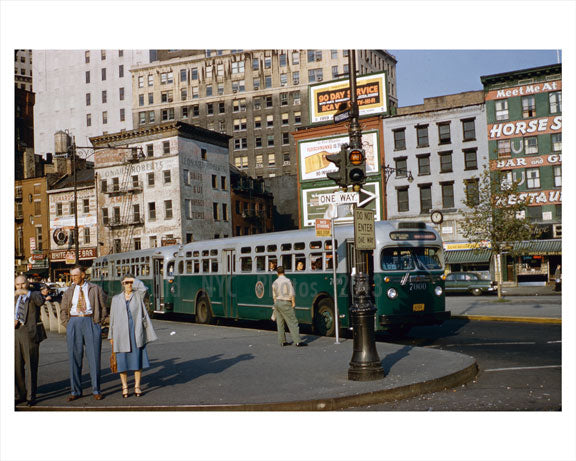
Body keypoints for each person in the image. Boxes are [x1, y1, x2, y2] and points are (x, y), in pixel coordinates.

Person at [60, 265, 107, 401]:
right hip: (74, 323)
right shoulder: (69, 291)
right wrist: (67, 324)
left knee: (94, 358)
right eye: (71, 275)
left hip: (90, 322)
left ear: (82, 275)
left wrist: (98, 323)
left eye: (75, 275)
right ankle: (75, 391)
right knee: (74, 359)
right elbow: (63, 309)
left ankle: (96, 390)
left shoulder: (95, 288)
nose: (73, 278)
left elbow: (103, 307)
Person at [108, 275, 157, 398]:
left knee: (137, 360)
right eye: (126, 282)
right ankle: (124, 386)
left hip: (135, 331)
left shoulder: (138, 296)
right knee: (122, 361)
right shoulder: (116, 299)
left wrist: (135, 280)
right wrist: (111, 336)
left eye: (131, 282)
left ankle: (137, 386)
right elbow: (112, 319)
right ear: (122, 284)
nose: (129, 285)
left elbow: (144, 289)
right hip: (120, 334)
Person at [14, 275, 47, 406]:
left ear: (27, 283)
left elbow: (40, 301)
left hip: (30, 333)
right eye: (17, 285)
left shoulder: (34, 295)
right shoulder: (13, 297)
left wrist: (27, 292)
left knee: (31, 366)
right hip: (16, 332)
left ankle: (30, 396)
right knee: (16, 366)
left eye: (22, 284)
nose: (20, 287)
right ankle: (20, 394)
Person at [272, 266, 307, 347]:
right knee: (292, 321)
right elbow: (291, 293)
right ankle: (297, 341)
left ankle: (282, 341)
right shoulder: (287, 281)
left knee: (280, 323)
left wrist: (275, 304)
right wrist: (293, 302)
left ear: (277, 273)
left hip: (277, 303)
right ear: (284, 272)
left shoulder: (274, 282)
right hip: (285, 302)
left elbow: (274, 296)